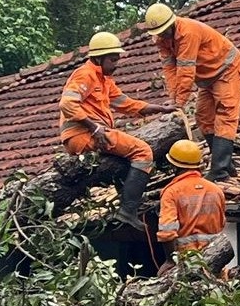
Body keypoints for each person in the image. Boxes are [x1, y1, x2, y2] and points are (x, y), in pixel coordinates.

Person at [58, 31, 170, 230]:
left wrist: (158, 108)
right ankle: (128, 210)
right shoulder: (86, 74)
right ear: (98, 58)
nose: (116, 64)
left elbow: (124, 103)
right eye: (112, 60)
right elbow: (67, 104)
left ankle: (129, 204)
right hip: (82, 136)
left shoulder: (104, 80)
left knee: (125, 161)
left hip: (88, 135)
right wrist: (95, 128)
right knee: (143, 152)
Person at [142, 3, 240, 182]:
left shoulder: (188, 32)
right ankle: (226, 165)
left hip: (227, 70)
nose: (162, 34)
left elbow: (185, 70)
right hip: (207, 78)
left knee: (225, 115)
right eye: (159, 32)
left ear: (172, 23)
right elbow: (170, 70)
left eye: (165, 30)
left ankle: (219, 170)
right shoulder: (161, 40)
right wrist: (173, 98)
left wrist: (179, 102)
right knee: (204, 117)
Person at [156, 139, 226, 258]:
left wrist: (170, 261)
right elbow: (222, 223)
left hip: (187, 260)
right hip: (215, 255)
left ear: (174, 165)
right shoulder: (216, 190)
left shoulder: (172, 192)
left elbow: (167, 232)